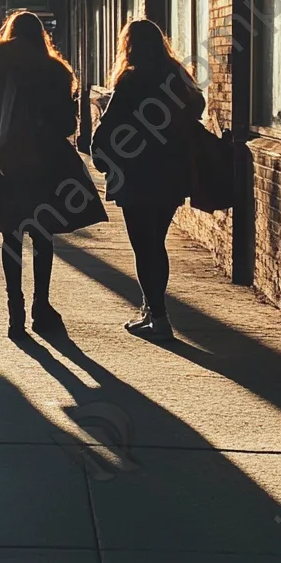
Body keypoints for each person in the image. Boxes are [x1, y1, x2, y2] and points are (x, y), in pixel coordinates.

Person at [0, 10, 107, 339]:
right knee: (42, 235)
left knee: (10, 236)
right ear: (41, 36)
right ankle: (41, 306)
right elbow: (67, 124)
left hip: (7, 160)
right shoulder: (55, 70)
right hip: (45, 161)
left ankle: (14, 311)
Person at [91, 19, 205, 342]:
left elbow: (109, 126)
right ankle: (152, 310)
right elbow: (198, 106)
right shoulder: (177, 75)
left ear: (130, 46)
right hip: (172, 172)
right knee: (157, 244)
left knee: (144, 247)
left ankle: (158, 317)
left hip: (136, 172)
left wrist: (97, 151)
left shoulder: (131, 80)